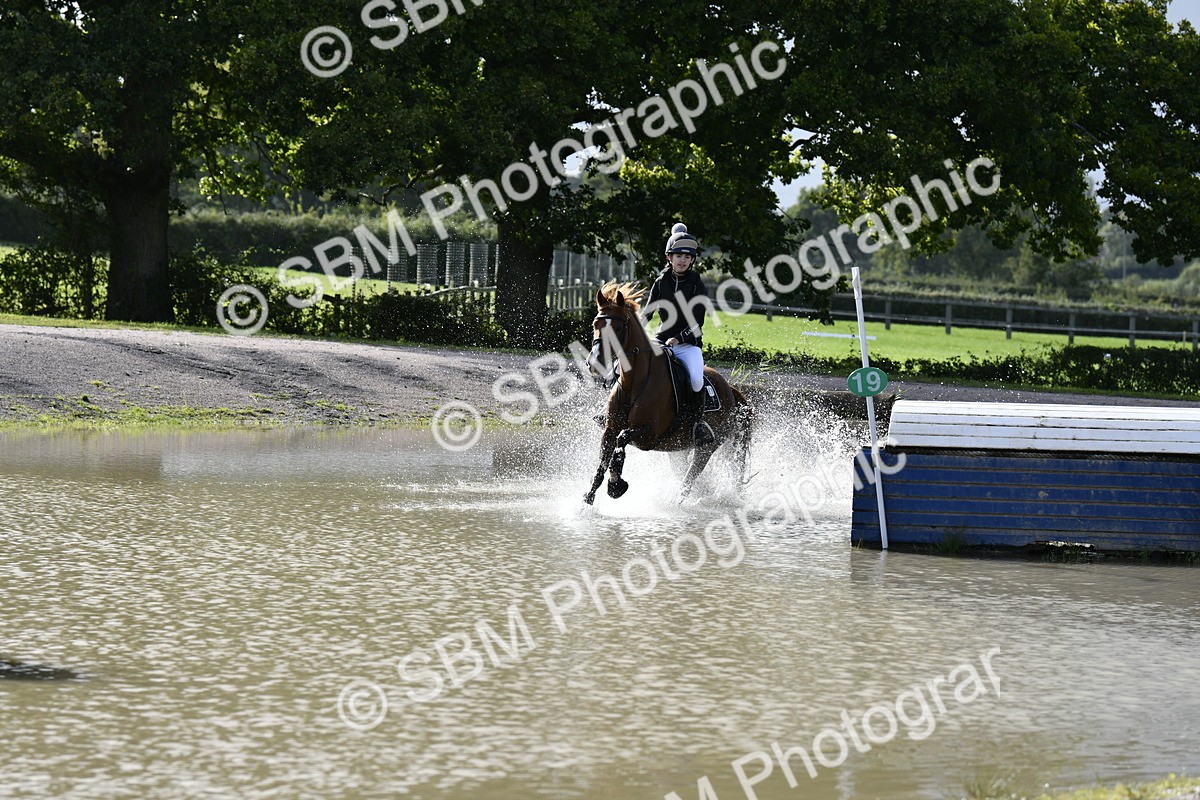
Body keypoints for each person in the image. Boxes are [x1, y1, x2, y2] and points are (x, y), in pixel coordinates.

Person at [645, 222, 715, 445]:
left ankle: (698, 425)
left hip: (687, 345)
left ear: (692, 260)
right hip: (661, 341)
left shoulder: (697, 285)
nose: (683, 260)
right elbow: (646, 314)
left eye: (687, 256)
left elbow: (698, 323)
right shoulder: (660, 282)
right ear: (669, 257)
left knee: (695, 380)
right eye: (678, 255)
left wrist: (679, 338)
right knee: (632, 363)